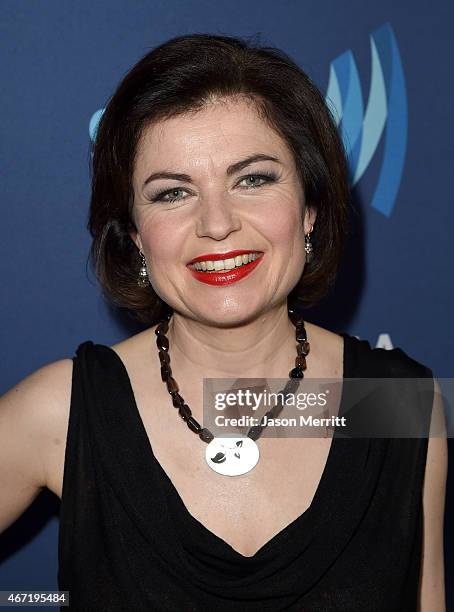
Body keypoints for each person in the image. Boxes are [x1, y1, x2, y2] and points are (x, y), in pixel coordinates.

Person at [0, 33, 447, 611]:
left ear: (310, 209)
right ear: (135, 234)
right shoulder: (61, 411)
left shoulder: (398, 402)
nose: (216, 223)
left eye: (253, 180)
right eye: (171, 193)